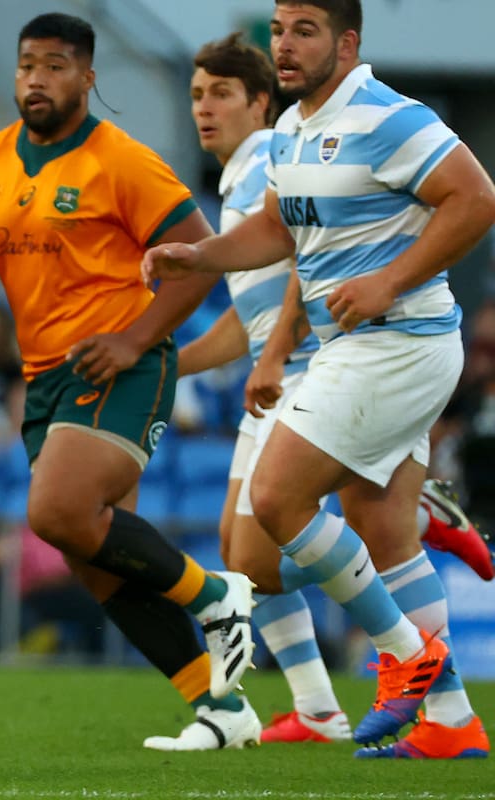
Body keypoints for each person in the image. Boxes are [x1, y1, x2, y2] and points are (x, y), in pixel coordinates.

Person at [0, 12, 261, 750]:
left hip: (122, 364)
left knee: (59, 510)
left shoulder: (121, 161)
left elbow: (198, 250)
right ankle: (223, 709)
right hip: (45, 379)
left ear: (88, 77)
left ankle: (216, 593)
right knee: (97, 562)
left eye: (55, 65)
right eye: (26, 65)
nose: (36, 78)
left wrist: (137, 338)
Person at [143, 0, 495, 759]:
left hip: (399, 342)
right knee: (381, 533)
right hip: (353, 349)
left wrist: (390, 281)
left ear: (347, 41)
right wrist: (197, 258)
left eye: (304, 31)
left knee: (274, 502)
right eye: (278, 31)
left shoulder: (388, 116)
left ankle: (405, 653)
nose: (286, 45)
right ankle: (452, 721)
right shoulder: (294, 134)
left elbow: (477, 198)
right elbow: (277, 230)